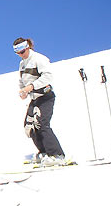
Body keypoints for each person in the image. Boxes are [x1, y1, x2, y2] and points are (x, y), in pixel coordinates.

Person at [13, 37, 76, 166]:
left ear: (28, 47)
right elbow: (22, 80)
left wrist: (32, 86)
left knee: (41, 124)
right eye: (17, 53)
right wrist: (23, 91)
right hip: (34, 98)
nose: (20, 55)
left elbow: (47, 76)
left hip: (45, 96)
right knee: (29, 126)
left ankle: (57, 154)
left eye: (22, 51)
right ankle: (43, 152)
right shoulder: (22, 63)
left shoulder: (39, 59)